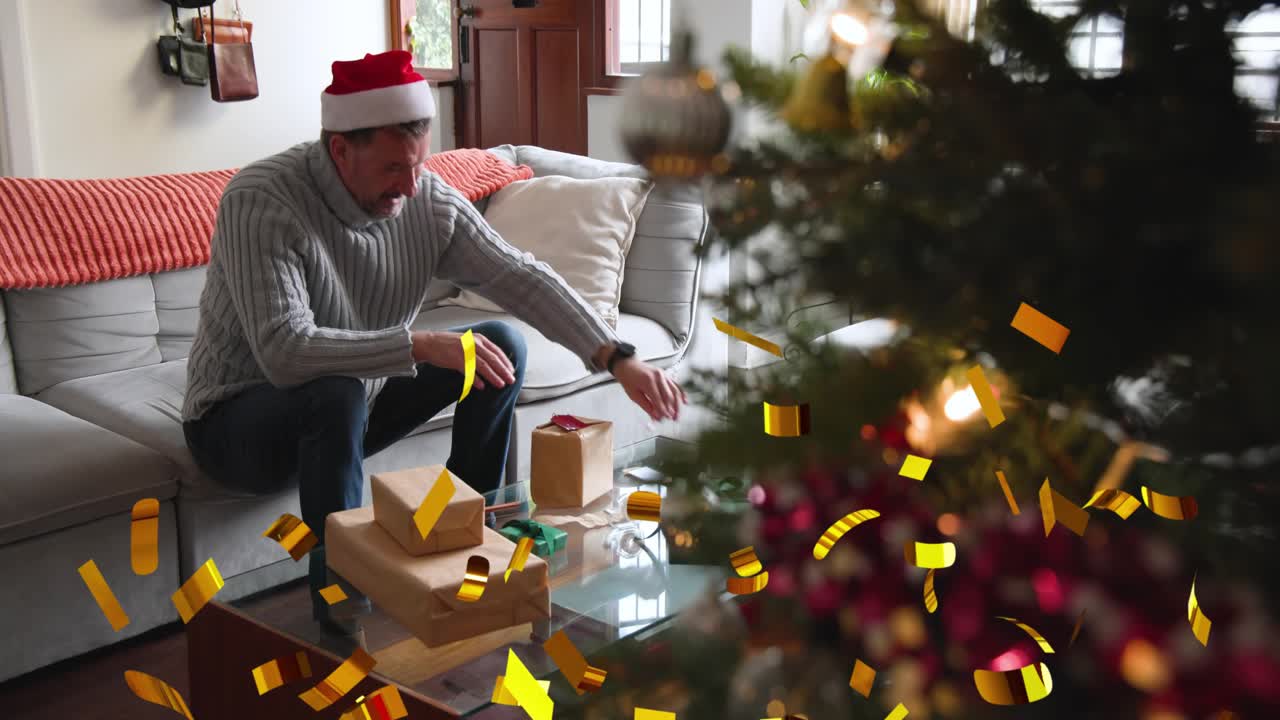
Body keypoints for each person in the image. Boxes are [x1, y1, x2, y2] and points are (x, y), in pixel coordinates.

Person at [181, 50, 686, 646]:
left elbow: (520, 277)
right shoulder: (262, 201)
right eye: (394, 168)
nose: (411, 186)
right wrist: (417, 345)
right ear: (341, 150)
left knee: (497, 346)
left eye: (418, 165)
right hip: (237, 421)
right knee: (335, 391)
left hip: (348, 406)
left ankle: (462, 543)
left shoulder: (422, 199)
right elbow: (285, 352)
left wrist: (615, 355)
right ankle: (342, 610)